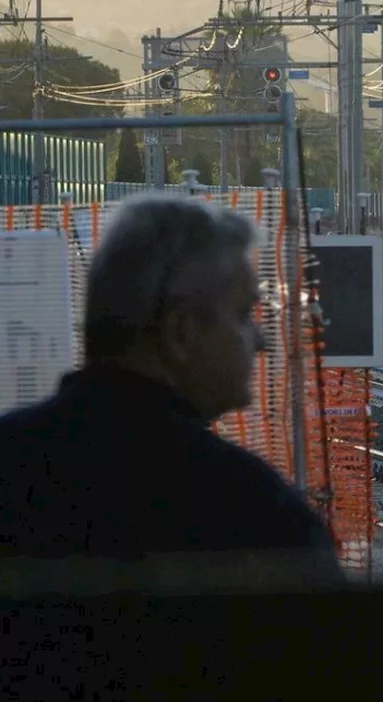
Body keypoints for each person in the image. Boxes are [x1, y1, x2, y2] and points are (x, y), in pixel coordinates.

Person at [0, 192, 346, 596]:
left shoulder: (12, 462)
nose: (261, 339)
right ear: (182, 332)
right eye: (242, 314)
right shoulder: (252, 512)